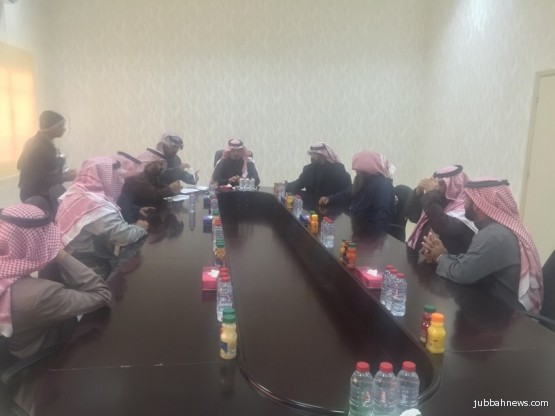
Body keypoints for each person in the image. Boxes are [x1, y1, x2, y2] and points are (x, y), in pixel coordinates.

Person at [0, 202, 111, 359]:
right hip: (44, 356)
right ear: (36, 242)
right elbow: (102, 294)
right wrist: (61, 256)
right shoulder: (40, 295)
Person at [422, 178, 543, 313]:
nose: (463, 203)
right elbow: (471, 261)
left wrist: (440, 257)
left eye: (466, 199)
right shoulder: (498, 229)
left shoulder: (494, 236)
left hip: (505, 315)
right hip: (493, 304)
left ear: (477, 205)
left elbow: (462, 274)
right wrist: (443, 254)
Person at [56, 156, 148, 278]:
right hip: (90, 271)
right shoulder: (93, 205)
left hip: (71, 266)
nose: (119, 181)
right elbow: (124, 236)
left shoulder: (75, 193)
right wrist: (140, 227)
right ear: (106, 178)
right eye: (116, 177)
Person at [319, 150, 395, 233]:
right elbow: (347, 194)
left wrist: (375, 238)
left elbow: (382, 215)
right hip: (356, 224)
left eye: (359, 170)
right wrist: (329, 199)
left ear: (369, 169)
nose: (356, 172)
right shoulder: (362, 180)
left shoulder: (382, 185)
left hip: (368, 231)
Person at [406, 165, 477, 254]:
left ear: (454, 186)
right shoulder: (439, 200)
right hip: (419, 254)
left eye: (441, 184)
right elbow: (414, 218)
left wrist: (431, 194)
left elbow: (442, 226)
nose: (436, 187)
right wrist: (418, 193)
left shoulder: (465, 209)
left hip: (442, 260)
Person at [17, 111, 77, 203]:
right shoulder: (42, 147)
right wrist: (65, 177)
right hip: (36, 195)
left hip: (28, 191)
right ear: (51, 128)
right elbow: (40, 180)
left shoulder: (33, 141)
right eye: (61, 126)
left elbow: (19, 165)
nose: (64, 129)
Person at [118, 159, 181, 223]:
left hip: (144, 211)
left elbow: (160, 187)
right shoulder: (140, 178)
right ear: (150, 164)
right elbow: (154, 195)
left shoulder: (152, 175)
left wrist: (173, 189)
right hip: (138, 218)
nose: (162, 167)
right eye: (160, 164)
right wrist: (170, 188)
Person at [285, 142, 351, 198]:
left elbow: (346, 192)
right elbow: (298, 184)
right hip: (311, 206)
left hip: (332, 206)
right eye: (311, 154)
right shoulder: (308, 169)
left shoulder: (338, 169)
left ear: (323, 155)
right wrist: (284, 187)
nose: (312, 157)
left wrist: (329, 199)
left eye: (315, 154)